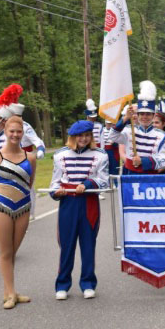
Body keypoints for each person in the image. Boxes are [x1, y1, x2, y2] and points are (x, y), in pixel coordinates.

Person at [50, 120, 109, 300]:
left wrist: (88, 184)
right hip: (68, 203)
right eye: (80, 136)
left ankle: (88, 283)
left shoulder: (100, 155)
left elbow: (104, 181)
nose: (83, 139)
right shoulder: (60, 155)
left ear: (91, 136)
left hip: (89, 202)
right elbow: (54, 182)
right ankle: (62, 284)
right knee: (66, 245)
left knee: (88, 245)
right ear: (73, 137)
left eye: (87, 135)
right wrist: (57, 193)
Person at [0, 116, 36, 309]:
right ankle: (11, 293)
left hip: (23, 208)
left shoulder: (30, 157)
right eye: (12, 131)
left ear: (23, 133)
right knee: (5, 252)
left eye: (18, 131)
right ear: (5, 131)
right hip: (1, 207)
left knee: (13, 251)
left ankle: (9, 292)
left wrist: (22, 203)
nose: (15, 135)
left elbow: (29, 184)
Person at [107, 81, 165, 175]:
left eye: (148, 114)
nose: (145, 117)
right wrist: (125, 118)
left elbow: (164, 158)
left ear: (153, 115)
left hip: (150, 175)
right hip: (130, 173)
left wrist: (143, 161)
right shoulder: (128, 130)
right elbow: (112, 136)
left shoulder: (162, 135)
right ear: (138, 114)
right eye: (142, 114)